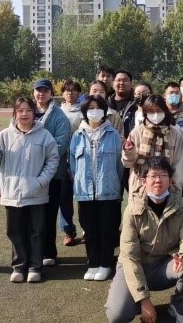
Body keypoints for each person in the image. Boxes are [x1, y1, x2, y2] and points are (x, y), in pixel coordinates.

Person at [105, 158, 183, 323]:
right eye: (153, 176)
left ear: (170, 180)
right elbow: (129, 257)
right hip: (135, 265)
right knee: (117, 315)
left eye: (163, 175)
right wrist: (144, 299)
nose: (158, 180)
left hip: (164, 265)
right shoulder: (132, 209)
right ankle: (134, 300)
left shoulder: (182, 205)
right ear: (144, 181)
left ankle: (178, 307)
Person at [0, 97, 60, 283]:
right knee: (15, 231)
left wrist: (39, 182)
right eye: (20, 111)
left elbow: (53, 160)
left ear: (34, 113)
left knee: (36, 232)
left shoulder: (44, 136)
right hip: (12, 194)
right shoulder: (4, 135)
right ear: (14, 113)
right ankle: (19, 266)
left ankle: (35, 267)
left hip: (36, 193)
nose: (24, 114)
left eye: (28, 110)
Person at [70, 95, 123, 281]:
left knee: (107, 230)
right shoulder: (77, 136)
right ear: (84, 112)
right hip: (85, 193)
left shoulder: (113, 135)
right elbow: (73, 166)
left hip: (108, 192)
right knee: (89, 230)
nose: (94, 111)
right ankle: (93, 263)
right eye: (90, 108)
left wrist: (113, 184)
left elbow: (119, 165)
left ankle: (106, 264)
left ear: (104, 111)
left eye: (98, 107)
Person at [33, 79, 71, 267]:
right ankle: (33, 252)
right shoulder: (26, 111)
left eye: (45, 90)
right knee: (31, 214)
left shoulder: (59, 116)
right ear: (33, 92)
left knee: (49, 214)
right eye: (38, 90)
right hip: (29, 174)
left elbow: (61, 144)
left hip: (52, 174)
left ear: (51, 93)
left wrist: (38, 156)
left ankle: (49, 251)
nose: (41, 94)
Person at [122, 95, 183, 194]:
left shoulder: (175, 133)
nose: (155, 115)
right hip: (140, 186)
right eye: (151, 111)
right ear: (145, 113)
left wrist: (175, 188)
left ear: (165, 111)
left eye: (159, 111)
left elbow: (178, 164)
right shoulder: (137, 132)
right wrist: (129, 151)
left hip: (168, 187)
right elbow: (128, 164)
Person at [60, 80, 83, 246]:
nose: (70, 93)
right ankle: (68, 231)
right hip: (62, 159)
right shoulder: (57, 111)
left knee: (83, 195)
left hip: (81, 158)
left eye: (74, 90)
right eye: (67, 90)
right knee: (64, 197)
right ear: (62, 93)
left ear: (79, 93)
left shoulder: (84, 111)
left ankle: (87, 229)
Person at [108, 70, 137, 139]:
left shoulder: (136, 104)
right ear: (113, 83)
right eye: (118, 80)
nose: (121, 83)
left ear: (131, 83)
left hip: (131, 142)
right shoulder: (106, 103)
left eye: (125, 80)